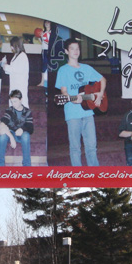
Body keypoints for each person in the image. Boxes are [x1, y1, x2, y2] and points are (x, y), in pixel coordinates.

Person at [55, 38, 105, 166]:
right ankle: (78, 176)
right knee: (75, 148)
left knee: (92, 146)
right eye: (72, 48)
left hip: (88, 113)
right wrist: (72, 98)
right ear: (66, 51)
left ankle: (94, 175)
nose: (76, 51)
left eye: (77, 48)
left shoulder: (87, 68)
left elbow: (102, 79)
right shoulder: (63, 70)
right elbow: (64, 92)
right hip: (72, 114)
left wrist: (99, 95)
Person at [0, 89, 33, 166]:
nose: (13, 104)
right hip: (10, 134)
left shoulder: (27, 111)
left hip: (21, 135)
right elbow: (3, 123)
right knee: (2, 135)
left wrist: (22, 129)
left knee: (26, 136)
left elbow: (30, 128)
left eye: (15, 101)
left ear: (21, 100)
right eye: (12, 102)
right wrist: (11, 137)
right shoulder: (10, 110)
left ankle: (27, 165)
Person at [2, 35, 30, 109]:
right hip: (15, 84)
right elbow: (12, 70)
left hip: (20, 84)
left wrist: (5, 66)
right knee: (13, 103)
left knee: (21, 103)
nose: (11, 48)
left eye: (12, 46)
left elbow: (17, 70)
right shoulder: (16, 55)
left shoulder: (22, 56)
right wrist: (5, 67)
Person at [38, 20, 52, 88]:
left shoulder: (53, 32)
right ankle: (42, 82)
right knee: (44, 65)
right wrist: (40, 37)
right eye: (46, 22)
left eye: (48, 22)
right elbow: (42, 42)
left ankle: (52, 81)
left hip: (51, 51)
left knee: (51, 66)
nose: (47, 23)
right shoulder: (43, 32)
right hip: (44, 50)